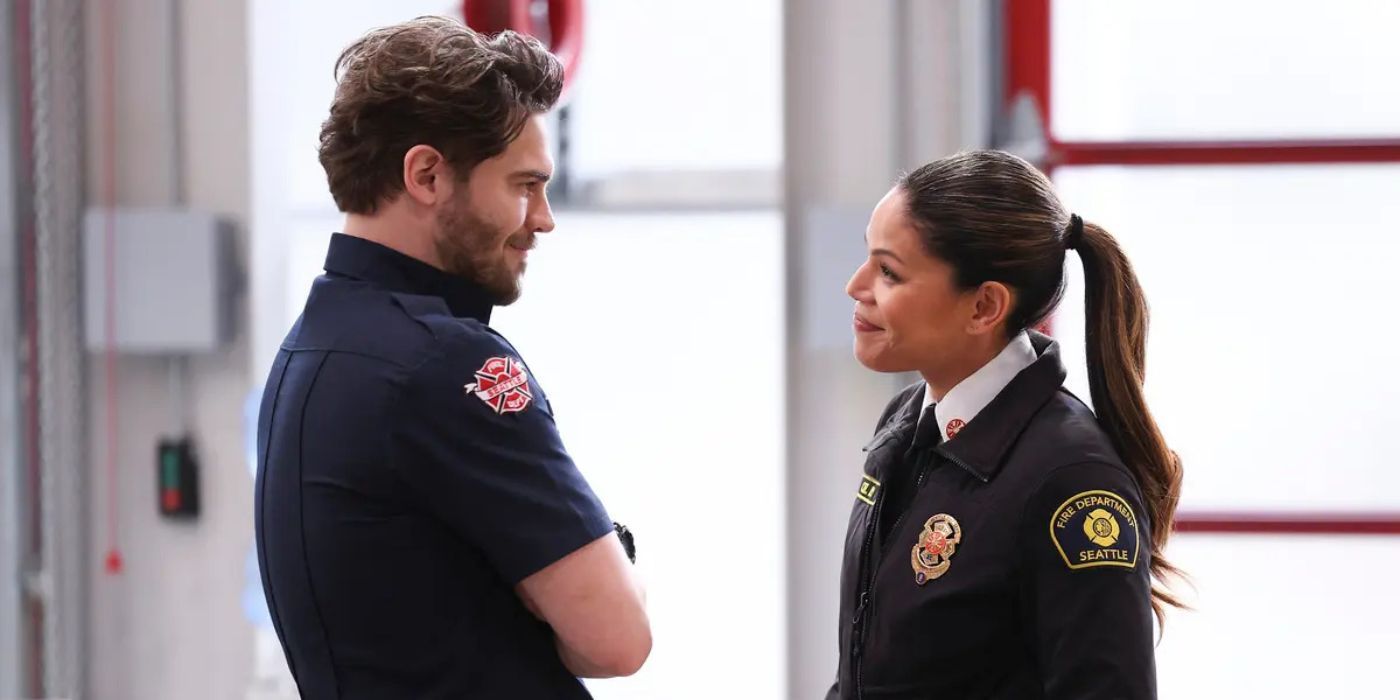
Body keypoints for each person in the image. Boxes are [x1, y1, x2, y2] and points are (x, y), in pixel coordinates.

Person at [254, 17, 650, 699]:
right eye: (524, 185)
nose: (543, 217)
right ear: (428, 174)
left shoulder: (307, 353)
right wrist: (598, 558)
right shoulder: (446, 365)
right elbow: (618, 639)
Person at [827, 150, 1184, 699]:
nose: (855, 285)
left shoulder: (1072, 481)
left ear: (984, 307)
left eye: (889, 272)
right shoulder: (905, 422)